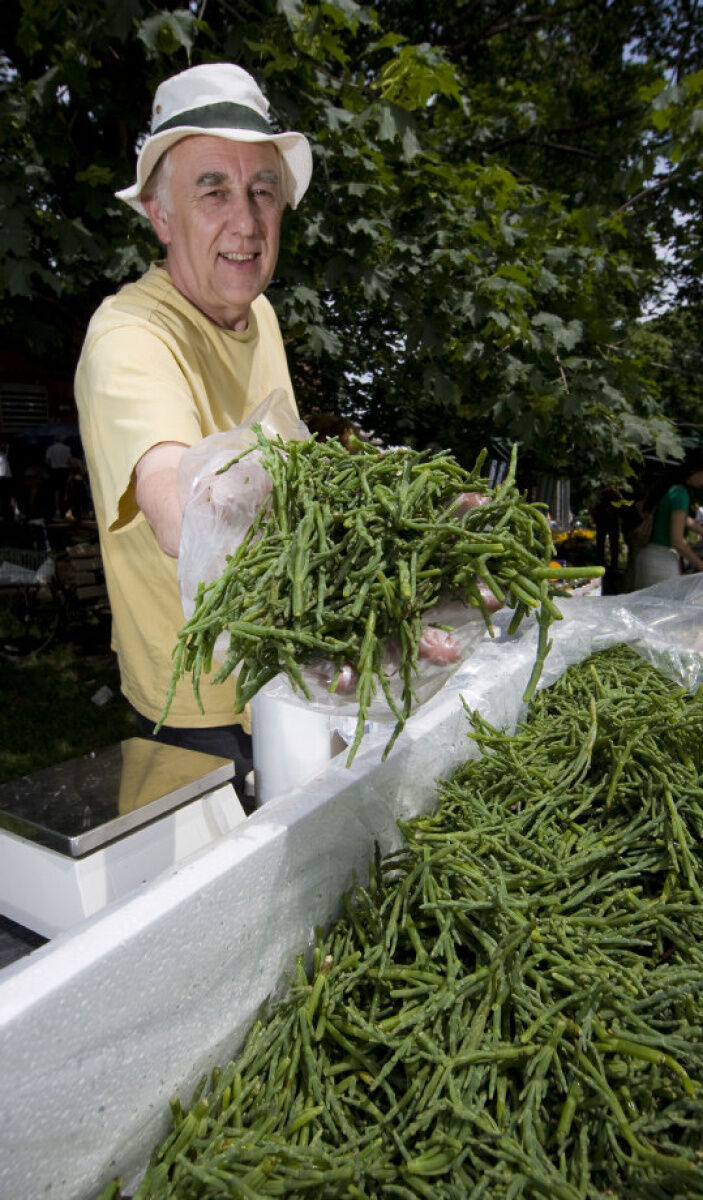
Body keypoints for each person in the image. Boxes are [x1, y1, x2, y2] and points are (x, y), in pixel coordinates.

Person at [74, 63, 313, 804]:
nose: (244, 221)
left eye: (261, 191)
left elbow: (291, 466)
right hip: (197, 711)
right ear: (161, 215)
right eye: (212, 190)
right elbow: (186, 512)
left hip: (292, 669)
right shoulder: (128, 336)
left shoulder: (260, 316)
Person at [631, 449, 703, 589]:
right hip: (662, 561)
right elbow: (677, 541)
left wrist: (700, 530)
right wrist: (699, 564)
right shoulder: (680, 495)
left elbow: (682, 519)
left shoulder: (669, 489)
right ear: (695, 471)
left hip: (647, 556)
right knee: (665, 610)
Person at [45, 434, 72, 518]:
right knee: (65, 491)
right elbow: (69, 461)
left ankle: (57, 510)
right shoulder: (67, 448)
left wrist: (52, 466)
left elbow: (47, 461)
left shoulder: (50, 448)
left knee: (56, 491)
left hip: (54, 470)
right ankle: (65, 509)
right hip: (64, 470)